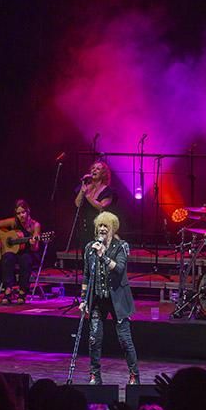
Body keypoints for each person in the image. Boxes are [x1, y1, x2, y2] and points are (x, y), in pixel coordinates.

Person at [80, 211, 139, 385]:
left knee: (125, 340)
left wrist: (103, 256)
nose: (103, 229)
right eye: (100, 226)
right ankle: (94, 375)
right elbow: (86, 276)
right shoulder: (90, 248)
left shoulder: (120, 246)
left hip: (118, 301)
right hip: (98, 300)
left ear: (112, 228)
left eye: (106, 226)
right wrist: (83, 300)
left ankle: (134, 375)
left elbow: (119, 269)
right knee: (94, 339)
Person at [0, 199, 42, 305]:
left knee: (25, 260)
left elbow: (35, 248)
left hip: (28, 252)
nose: (21, 215)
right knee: (7, 257)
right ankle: (8, 290)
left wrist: (33, 243)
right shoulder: (14, 222)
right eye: (18, 213)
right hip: (14, 252)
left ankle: (22, 292)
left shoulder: (35, 225)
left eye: (23, 212)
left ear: (28, 211)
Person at [74, 160, 116, 231]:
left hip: (99, 227)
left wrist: (87, 195)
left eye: (98, 169)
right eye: (93, 168)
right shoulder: (85, 187)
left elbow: (101, 207)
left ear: (103, 174)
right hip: (83, 227)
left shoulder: (108, 191)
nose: (94, 170)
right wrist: (82, 190)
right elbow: (78, 204)